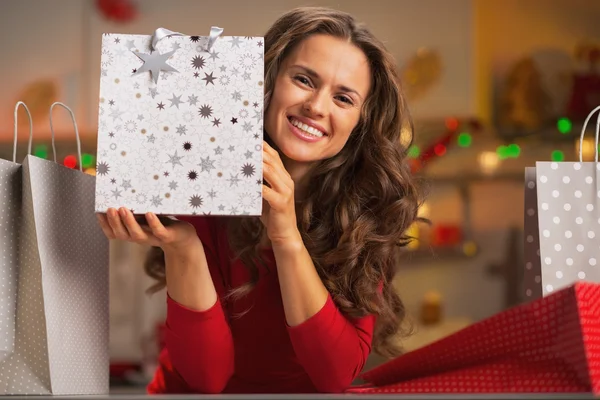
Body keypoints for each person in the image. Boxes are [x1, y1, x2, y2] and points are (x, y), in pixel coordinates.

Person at [97, 6, 422, 394]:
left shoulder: (368, 215)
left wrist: (285, 233)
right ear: (266, 81)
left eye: (343, 98)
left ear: (360, 122)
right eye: (303, 79)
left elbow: (335, 374)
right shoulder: (199, 184)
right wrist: (184, 246)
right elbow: (206, 380)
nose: (316, 107)